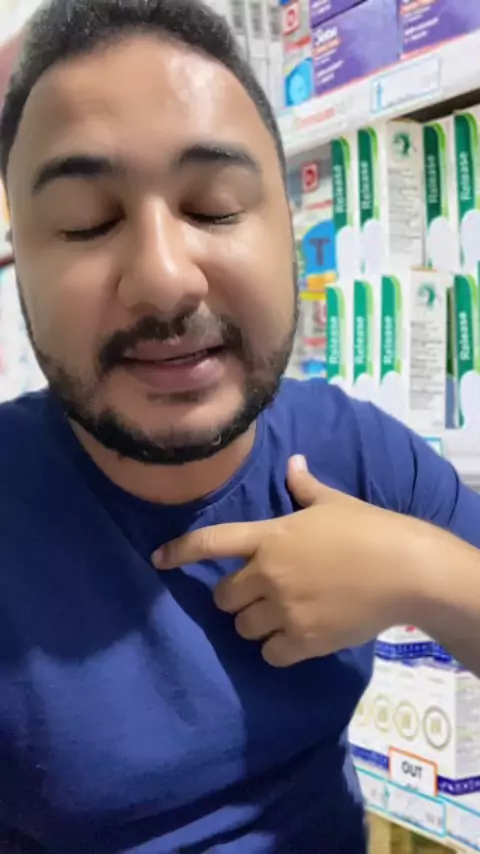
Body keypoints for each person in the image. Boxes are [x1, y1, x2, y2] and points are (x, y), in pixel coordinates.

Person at [1, 1, 480, 852]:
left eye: (215, 208)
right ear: (18, 266)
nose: (164, 278)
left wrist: (421, 573)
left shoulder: (351, 451)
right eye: (87, 222)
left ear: (291, 228)